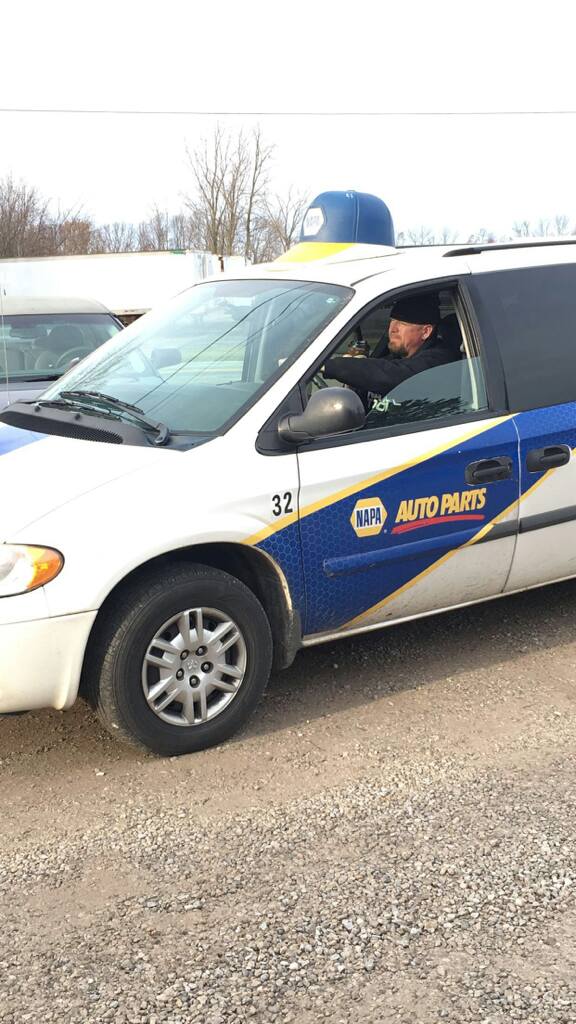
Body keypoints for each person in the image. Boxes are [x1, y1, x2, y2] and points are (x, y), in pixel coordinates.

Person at [322, 294, 460, 398]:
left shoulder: (439, 362)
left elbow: (395, 375)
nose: (392, 329)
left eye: (402, 324)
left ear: (425, 332)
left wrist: (332, 365)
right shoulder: (395, 356)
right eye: (392, 321)